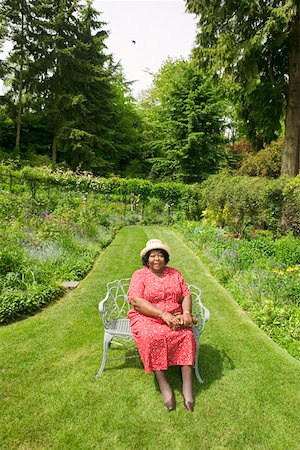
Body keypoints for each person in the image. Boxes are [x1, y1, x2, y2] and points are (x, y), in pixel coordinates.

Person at [128, 239, 196, 412]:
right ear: (147, 259)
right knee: (153, 337)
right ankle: (165, 386)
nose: (156, 259)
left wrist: (186, 313)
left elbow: (186, 295)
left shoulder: (174, 274)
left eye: (160, 255)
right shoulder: (139, 275)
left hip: (174, 316)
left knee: (186, 335)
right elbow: (136, 301)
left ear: (165, 258)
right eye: (152, 256)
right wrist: (162, 314)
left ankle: (187, 387)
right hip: (147, 317)